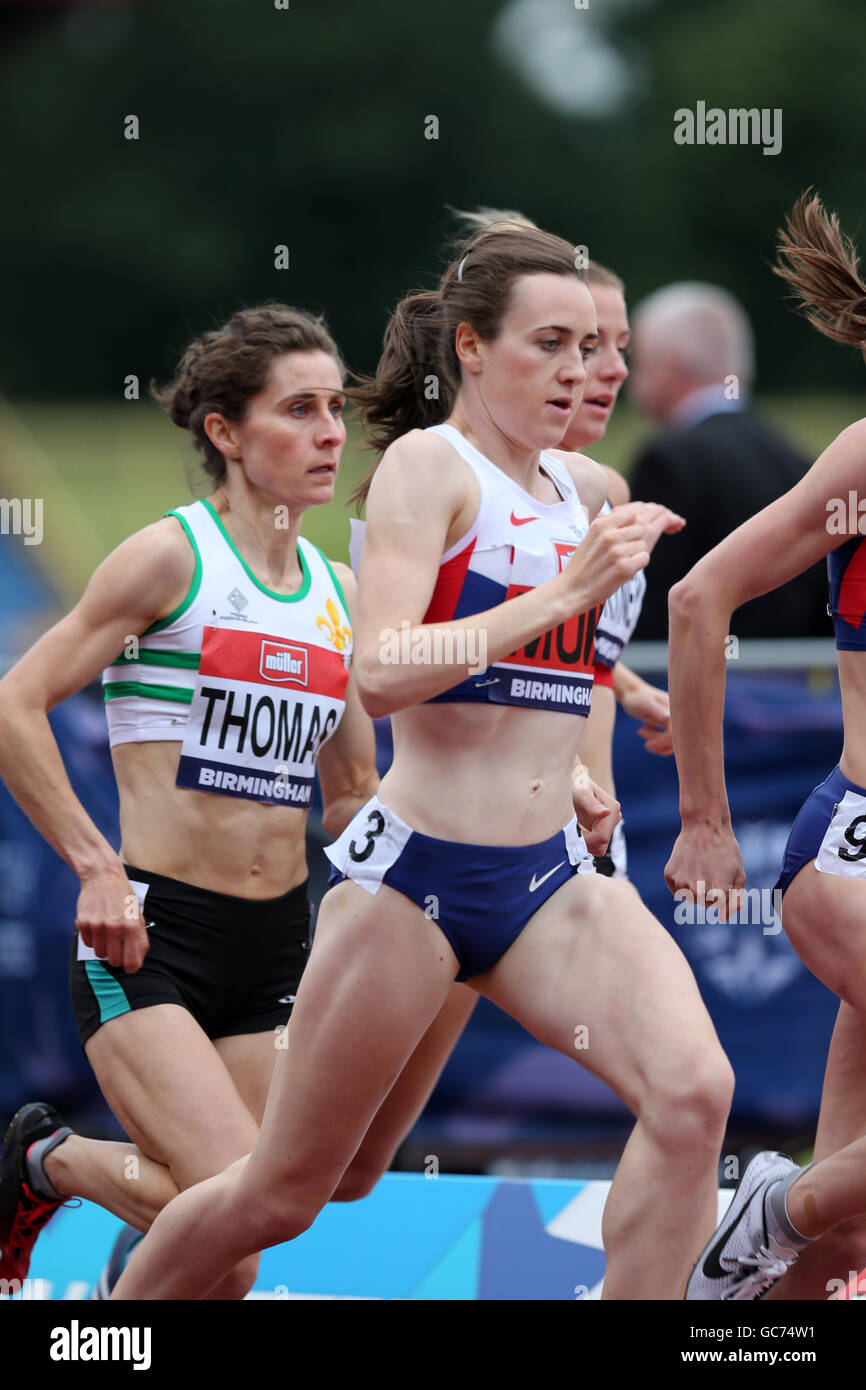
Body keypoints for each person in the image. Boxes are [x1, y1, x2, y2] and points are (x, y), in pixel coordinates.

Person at [111, 220, 735, 1302]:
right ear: (473, 349)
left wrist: (590, 754)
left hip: (544, 882)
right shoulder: (424, 467)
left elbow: (550, 674)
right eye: (550, 343)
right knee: (291, 1191)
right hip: (416, 884)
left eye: (592, 347)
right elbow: (385, 671)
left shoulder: (585, 494)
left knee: (692, 1095)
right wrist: (562, 596)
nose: (583, 370)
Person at [0, 304, 381, 1298]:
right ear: (224, 432)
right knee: (236, 1220)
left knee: (243, 1243)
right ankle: (50, 1161)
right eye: (297, 410)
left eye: (335, 408)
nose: (329, 431)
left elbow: (350, 795)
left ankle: (118, 1281)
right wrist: (92, 864)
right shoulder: (173, 558)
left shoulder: (338, 592)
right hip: (151, 934)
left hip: (273, 949)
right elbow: (15, 703)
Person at [666, 192, 866, 1301]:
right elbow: (697, 599)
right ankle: (765, 1207)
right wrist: (703, 819)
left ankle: (769, 1254)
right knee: (814, 1213)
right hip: (850, 855)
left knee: (841, 1237)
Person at [627, 281, 828, 641]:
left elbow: (646, 610)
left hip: (693, 688)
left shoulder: (669, 463)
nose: (627, 376)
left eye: (637, 361)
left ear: (671, 365)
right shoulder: (802, 461)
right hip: (799, 689)